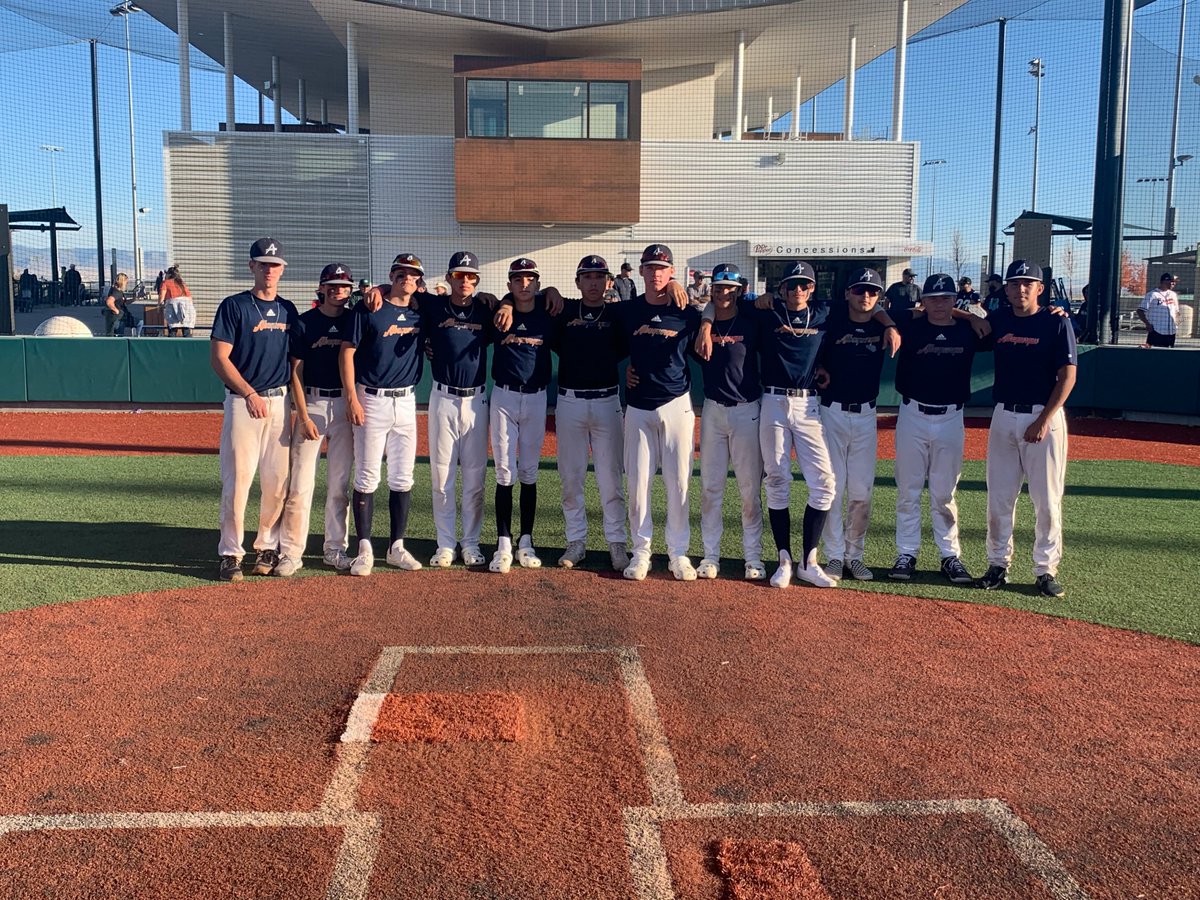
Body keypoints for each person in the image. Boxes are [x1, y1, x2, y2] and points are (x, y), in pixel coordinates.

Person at [977, 259, 1077, 597]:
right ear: (1005, 289)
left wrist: (1044, 419)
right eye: (1015, 283)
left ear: (1039, 289)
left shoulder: (1056, 323)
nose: (1021, 289)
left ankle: (1045, 570)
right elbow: (969, 325)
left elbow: (1068, 377)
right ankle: (997, 564)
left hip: (1043, 417)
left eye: (1027, 283)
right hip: (1004, 415)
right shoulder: (999, 319)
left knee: (1046, 500)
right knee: (999, 498)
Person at [209, 238, 300, 582]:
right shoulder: (235, 306)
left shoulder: (289, 310)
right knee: (238, 482)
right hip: (243, 402)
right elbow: (219, 358)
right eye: (263, 263)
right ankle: (231, 552)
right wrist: (248, 393)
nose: (269, 269)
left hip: (279, 402)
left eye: (275, 265)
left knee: (276, 482)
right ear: (251, 267)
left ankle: (266, 546)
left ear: (282, 269)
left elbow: (296, 362)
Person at [889, 273, 988, 584]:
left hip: (950, 417)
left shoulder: (969, 330)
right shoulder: (909, 325)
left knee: (944, 493)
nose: (940, 304)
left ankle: (949, 555)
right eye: (934, 298)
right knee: (908, 490)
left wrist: (968, 316)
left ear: (955, 299)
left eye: (946, 298)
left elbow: (1009, 323)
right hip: (913, 414)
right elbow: (879, 313)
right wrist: (965, 313)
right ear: (924, 301)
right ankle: (906, 552)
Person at [339, 253, 429, 576]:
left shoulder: (423, 311)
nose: (407, 278)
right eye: (401, 272)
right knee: (367, 476)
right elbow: (346, 351)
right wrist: (351, 397)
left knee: (403, 477)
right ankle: (364, 549)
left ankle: (396, 546)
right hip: (372, 398)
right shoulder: (370, 307)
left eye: (413, 274)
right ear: (391, 276)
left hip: (406, 401)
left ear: (419, 282)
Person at [615, 244, 698, 581]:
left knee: (678, 483)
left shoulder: (687, 311)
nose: (656, 273)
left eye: (662, 268)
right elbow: (607, 343)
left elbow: (711, 317)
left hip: (676, 403)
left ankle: (678, 553)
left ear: (672, 272)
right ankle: (642, 552)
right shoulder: (628, 311)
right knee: (638, 484)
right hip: (638, 406)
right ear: (641, 271)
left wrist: (695, 308)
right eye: (650, 267)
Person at [274, 263, 357, 578]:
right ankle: (291, 552)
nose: (338, 291)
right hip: (314, 402)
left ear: (350, 290)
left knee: (339, 485)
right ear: (321, 288)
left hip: (345, 405)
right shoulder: (304, 322)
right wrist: (304, 414)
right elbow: (296, 370)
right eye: (332, 286)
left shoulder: (354, 319)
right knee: (300, 484)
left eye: (344, 286)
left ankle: (335, 549)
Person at [552, 255, 630, 571]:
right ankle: (576, 542)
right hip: (570, 402)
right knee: (571, 478)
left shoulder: (618, 313)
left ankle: (616, 544)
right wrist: (552, 290)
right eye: (588, 277)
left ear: (609, 282)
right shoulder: (564, 310)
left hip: (607, 401)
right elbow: (533, 296)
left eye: (600, 277)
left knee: (610, 478)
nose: (594, 282)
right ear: (578, 282)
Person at [691, 263, 766, 581]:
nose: (723, 293)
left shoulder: (751, 320)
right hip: (712, 411)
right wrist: (706, 324)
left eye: (730, 289)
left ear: (739, 291)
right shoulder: (700, 323)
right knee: (711, 487)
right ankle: (711, 556)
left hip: (747, 410)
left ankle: (753, 557)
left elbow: (768, 304)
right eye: (718, 287)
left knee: (750, 489)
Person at [816, 268, 890, 582]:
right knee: (832, 487)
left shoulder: (884, 319)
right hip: (831, 412)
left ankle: (854, 556)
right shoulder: (831, 318)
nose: (865, 297)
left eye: (872, 292)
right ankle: (833, 555)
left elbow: (935, 308)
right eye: (860, 290)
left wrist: (890, 323)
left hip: (865, 416)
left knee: (862, 491)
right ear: (847, 293)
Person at [425, 251, 497, 568]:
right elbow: (403, 291)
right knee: (442, 476)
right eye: (459, 275)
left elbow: (516, 303)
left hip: (476, 401)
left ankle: (470, 542)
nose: (464, 280)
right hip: (442, 397)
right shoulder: (433, 306)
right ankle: (445, 543)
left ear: (477, 280)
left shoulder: (486, 309)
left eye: (470, 276)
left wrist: (504, 302)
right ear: (449, 277)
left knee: (475, 478)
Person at [486, 258, 557, 573]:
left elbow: (568, 302)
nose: (524, 284)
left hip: (536, 398)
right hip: (503, 395)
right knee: (504, 472)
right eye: (518, 280)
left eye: (530, 279)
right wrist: (503, 304)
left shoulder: (548, 313)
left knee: (528, 472)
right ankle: (503, 541)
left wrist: (553, 290)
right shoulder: (498, 315)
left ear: (538, 285)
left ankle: (526, 541)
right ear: (509, 285)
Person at [1137, 272, 1180, 348]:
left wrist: (1176, 323)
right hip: (1157, 330)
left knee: (1169, 355)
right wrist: (1147, 324)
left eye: (1174, 282)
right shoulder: (1152, 294)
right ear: (1164, 281)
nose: (1173, 284)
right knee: (1155, 355)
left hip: (1171, 332)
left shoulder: (1173, 295)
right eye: (1172, 281)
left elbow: (1176, 311)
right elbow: (1140, 310)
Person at [161, 266, 196, 337]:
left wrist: (159, 304)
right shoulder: (182, 283)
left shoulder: (166, 282)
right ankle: (188, 346)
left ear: (169, 274)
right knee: (186, 330)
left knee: (172, 330)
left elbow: (162, 295)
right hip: (186, 306)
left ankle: (171, 346)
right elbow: (189, 297)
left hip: (173, 306)